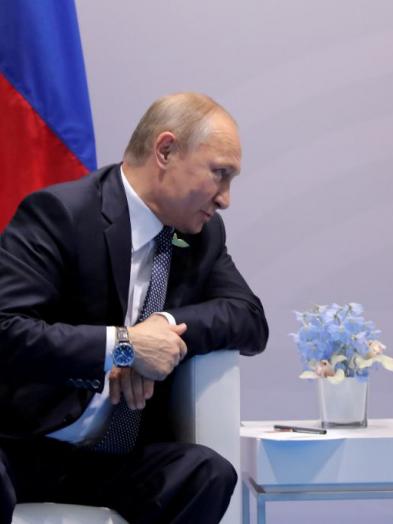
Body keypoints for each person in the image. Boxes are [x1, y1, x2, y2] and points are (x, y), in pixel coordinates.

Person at [0, 92, 269, 524]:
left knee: (207, 473)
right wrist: (123, 346)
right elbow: (7, 330)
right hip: (26, 445)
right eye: (220, 174)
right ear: (165, 151)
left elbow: (250, 319)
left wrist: (161, 330)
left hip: (117, 458)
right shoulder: (62, 215)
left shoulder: (202, 236)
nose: (225, 199)